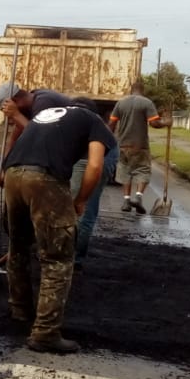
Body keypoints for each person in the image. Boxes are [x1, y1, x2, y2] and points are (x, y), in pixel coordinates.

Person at [2, 102, 115, 353]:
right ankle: (45, 333)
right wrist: (81, 200)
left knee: (18, 246)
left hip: (13, 173)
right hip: (44, 179)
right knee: (58, 256)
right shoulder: (94, 121)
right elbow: (95, 165)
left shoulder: (46, 115)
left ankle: (20, 310)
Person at [70, 97, 120, 272]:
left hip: (100, 157)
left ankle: (74, 259)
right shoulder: (75, 121)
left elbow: (94, 164)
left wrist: (81, 199)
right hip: (94, 156)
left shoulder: (95, 128)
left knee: (84, 209)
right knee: (72, 206)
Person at [108, 80, 169, 215]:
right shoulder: (146, 103)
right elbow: (154, 123)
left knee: (125, 171)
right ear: (143, 90)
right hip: (140, 145)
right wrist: (166, 122)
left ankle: (126, 201)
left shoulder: (121, 103)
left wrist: (107, 141)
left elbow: (111, 124)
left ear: (131, 90)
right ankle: (138, 197)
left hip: (123, 144)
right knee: (143, 170)